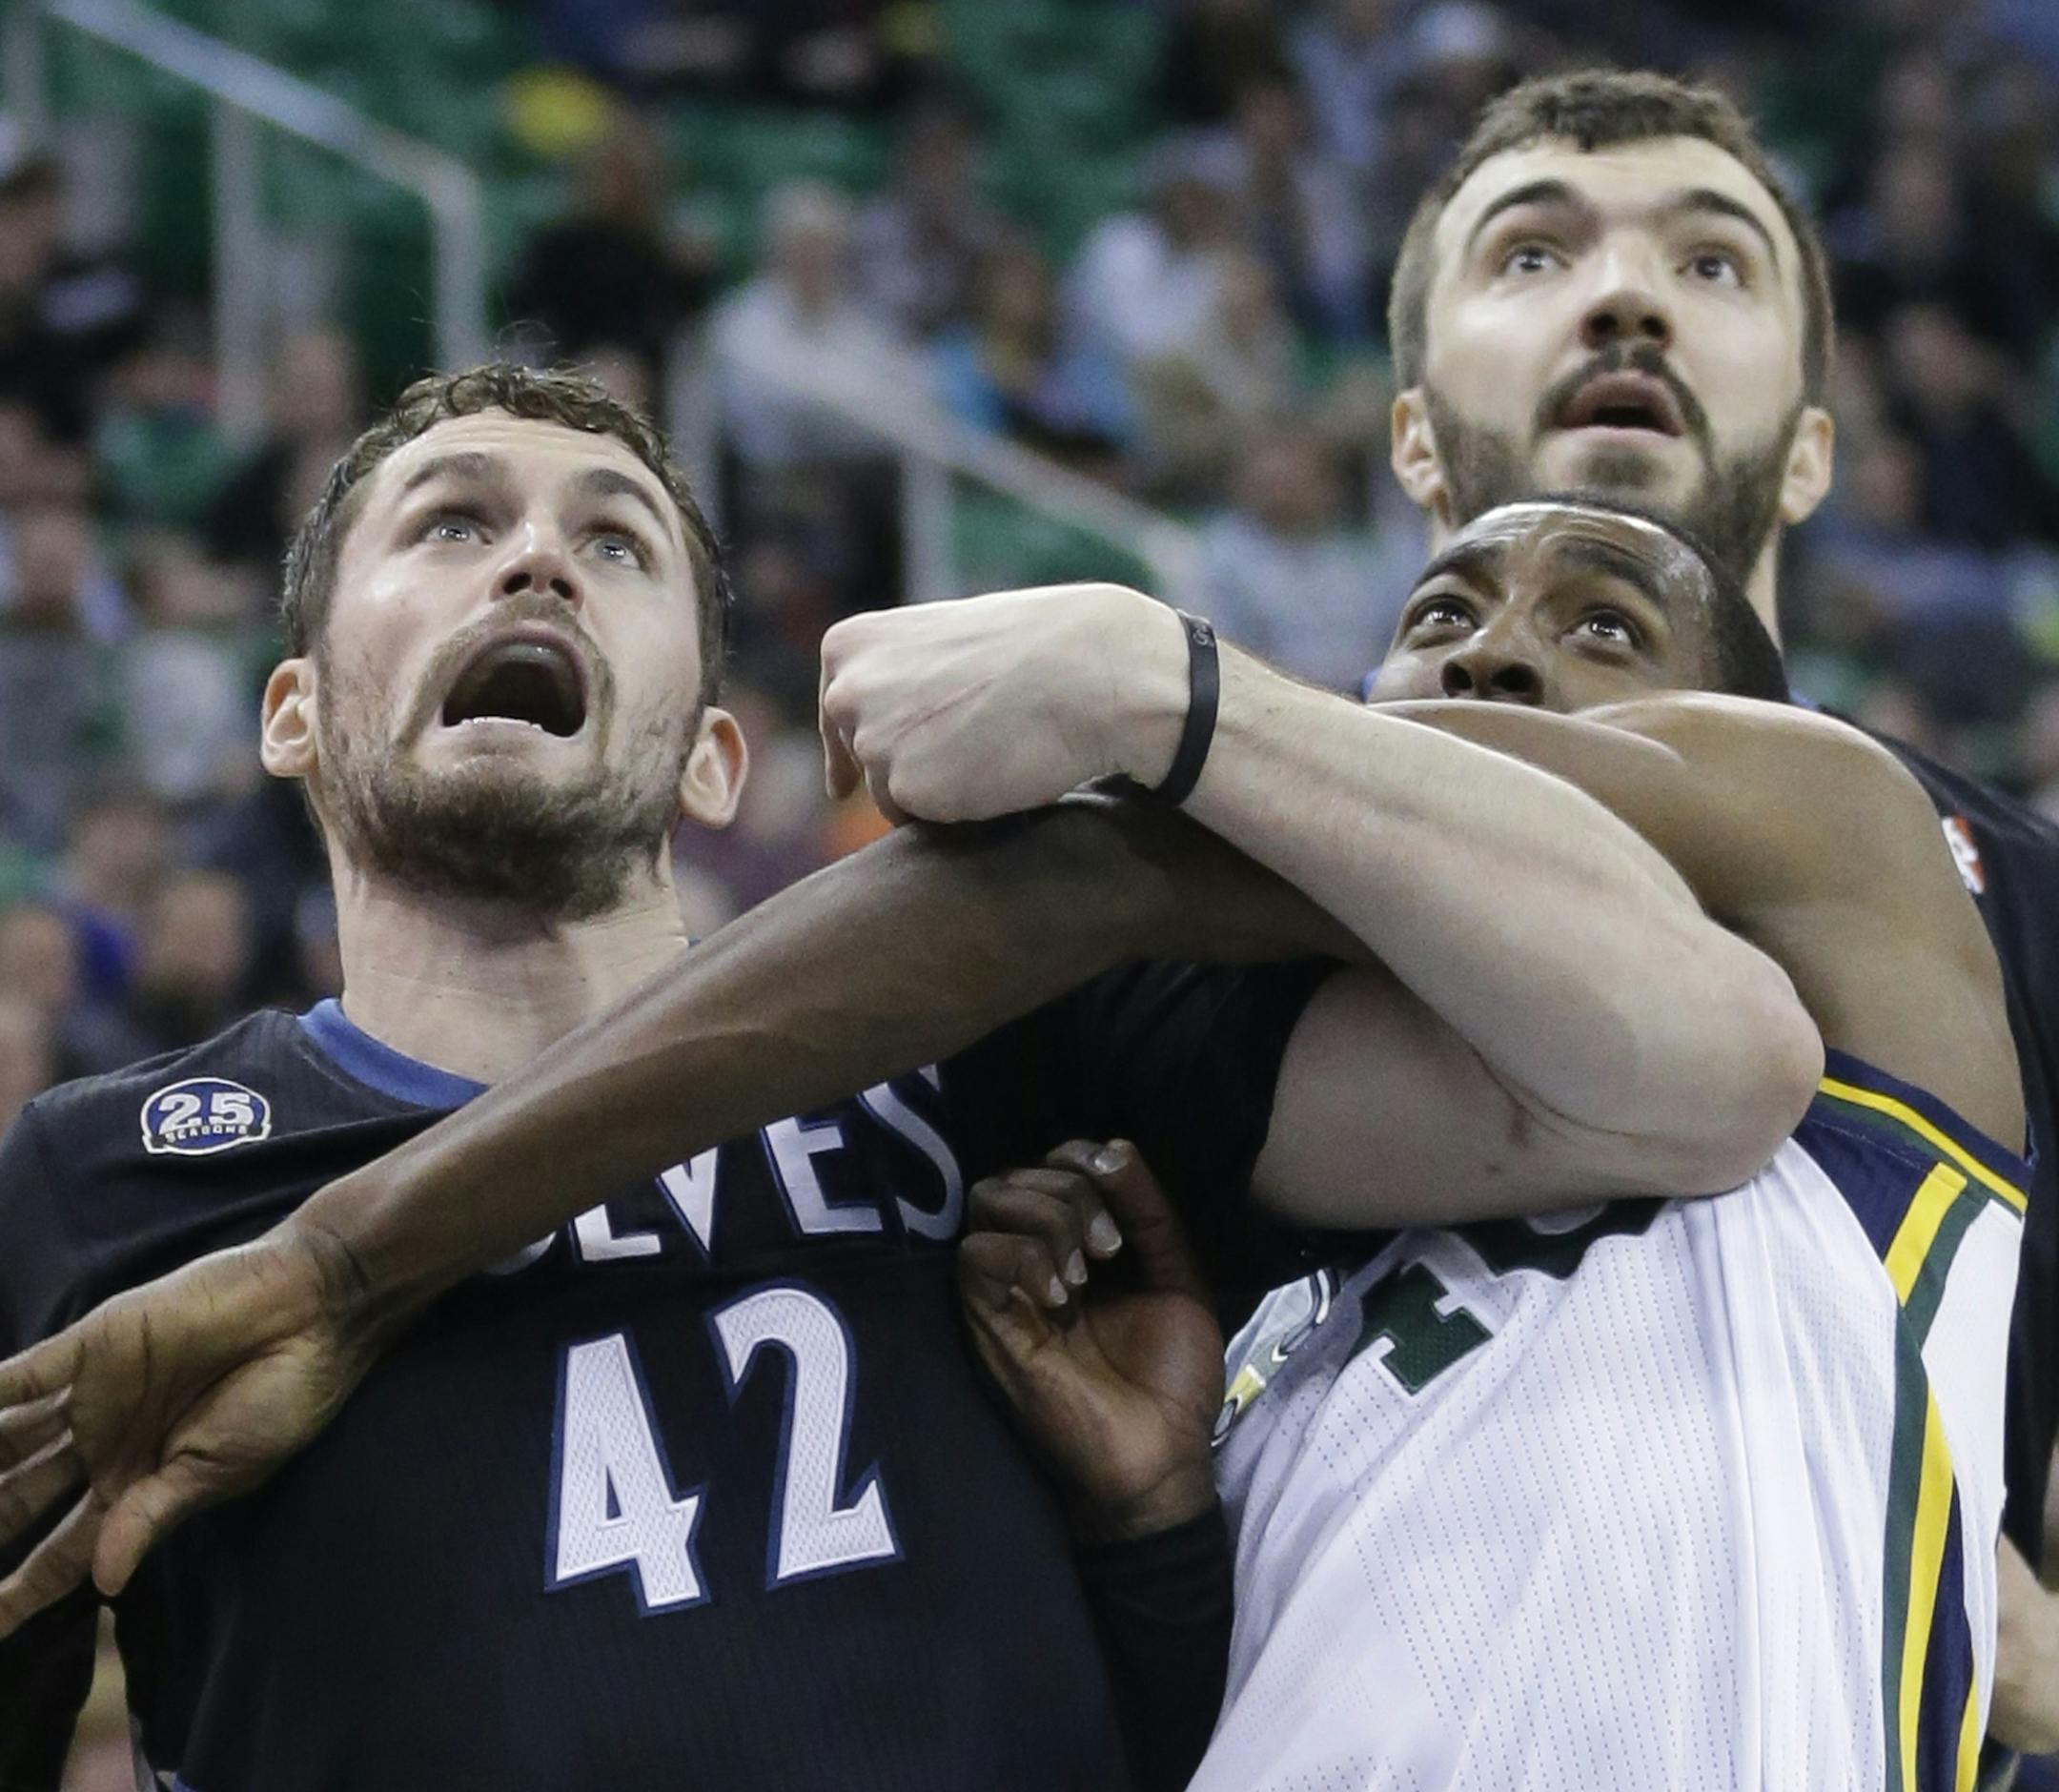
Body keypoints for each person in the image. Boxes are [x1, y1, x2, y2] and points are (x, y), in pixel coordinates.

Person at [0, 364, 1815, 1789]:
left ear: (717, 760)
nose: (536, 558)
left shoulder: (1007, 1046)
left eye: (618, 541)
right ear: (292, 711)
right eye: (451, 526)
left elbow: (1677, 1075)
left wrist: (1153, 1533)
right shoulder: (99, 1182)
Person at [951, 496, 2025, 1787]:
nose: (1491, 654)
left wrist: (1142, 699)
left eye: (1610, 628)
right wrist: (1155, 1521)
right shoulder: (1267, 1310)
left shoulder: (1856, 1031)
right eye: (1441, 616)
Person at [1368, 68, 2059, 1762]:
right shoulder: (1219, 841)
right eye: (1530, 257)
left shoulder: (2028, 898)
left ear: (1814, 451)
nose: (1622, 295)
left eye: (1714, 264)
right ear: (1408, 433)